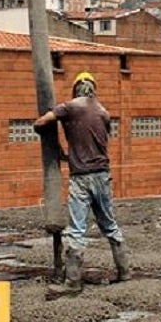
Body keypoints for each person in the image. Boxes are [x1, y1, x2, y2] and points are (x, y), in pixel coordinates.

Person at [35, 71, 129, 296]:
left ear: (76, 87)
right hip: (103, 175)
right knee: (109, 224)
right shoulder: (103, 112)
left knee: (77, 229)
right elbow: (94, 140)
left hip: (81, 178)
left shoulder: (70, 107)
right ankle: (124, 271)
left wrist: (47, 135)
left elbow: (41, 123)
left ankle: (73, 282)